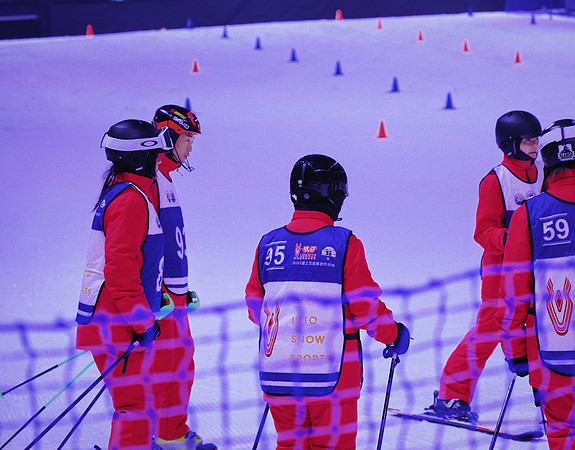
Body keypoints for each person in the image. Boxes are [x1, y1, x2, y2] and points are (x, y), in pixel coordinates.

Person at [244, 154, 410, 449]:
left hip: (279, 373)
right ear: (335, 195)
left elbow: (256, 306)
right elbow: (364, 308)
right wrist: (392, 333)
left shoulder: (268, 244)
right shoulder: (344, 243)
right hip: (332, 377)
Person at [428, 110, 542, 421]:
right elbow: (483, 232)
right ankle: (451, 397)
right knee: (488, 333)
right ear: (509, 144)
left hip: (535, 275)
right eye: (528, 141)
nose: (535, 146)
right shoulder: (496, 181)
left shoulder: (544, 173)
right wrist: (517, 238)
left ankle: (552, 400)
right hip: (500, 276)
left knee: (542, 332)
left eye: (536, 140)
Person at [499, 119, 575, 449]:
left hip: (557, 364)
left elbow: (514, 295)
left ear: (547, 161)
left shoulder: (528, 215)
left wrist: (516, 354)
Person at [75, 119, 173, 449]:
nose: (159, 161)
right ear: (138, 159)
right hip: (117, 324)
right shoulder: (130, 200)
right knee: (136, 406)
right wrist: (142, 321)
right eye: (155, 155)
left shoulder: (128, 192)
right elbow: (119, 270)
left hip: (114, 320)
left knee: (142, 400)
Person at [150, 105, 216, 450]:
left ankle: (168, 432)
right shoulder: (151, 178)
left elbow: (169, 244)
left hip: (171, 295)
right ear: (167, 135)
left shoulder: (165, 177)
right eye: (187, 138)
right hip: (160, 299)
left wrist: (181, 288)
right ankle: (168, 436)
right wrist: (155, 291)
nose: (191, 147)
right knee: (171, 366)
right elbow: (142, 243)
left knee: (180, 361)